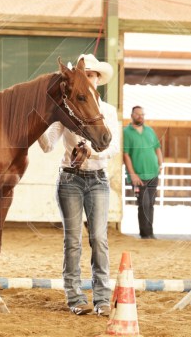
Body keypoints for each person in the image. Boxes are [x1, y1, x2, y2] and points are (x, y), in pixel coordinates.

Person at [38, 54, 119, 317]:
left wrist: (92, 153)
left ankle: (102, 298)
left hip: (97, 179)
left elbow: (113, 147)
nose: (89, 78)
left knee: (99, 239)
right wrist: (39, 119)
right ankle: (75, 297)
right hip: (69, 179)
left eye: (92, 75)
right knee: (72, 241)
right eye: (85, 74)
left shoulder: (108, 111)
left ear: (98, 79)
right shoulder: (68, 110)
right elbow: (48, 145)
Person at [123, 106, 163, 239]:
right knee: (143, 203)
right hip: (138, 176)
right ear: (132, 115)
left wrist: (160, 164)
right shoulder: (126, 132)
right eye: (137, 114)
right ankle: (145, 234)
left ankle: (150, 233)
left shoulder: (150, 131)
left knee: (150, 203)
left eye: (142, 114)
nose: (140, 116)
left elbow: (157, 148)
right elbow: (126, 155)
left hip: (153, 174)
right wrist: (132, 174)